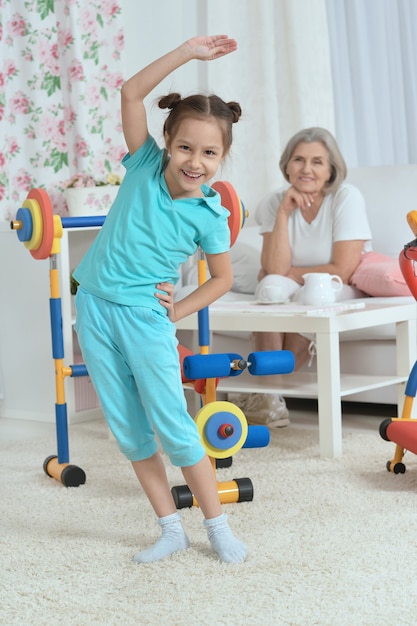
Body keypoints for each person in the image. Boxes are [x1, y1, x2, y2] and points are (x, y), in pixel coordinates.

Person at [73, 36, 247, 564]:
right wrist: (188, 53)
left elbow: (220, 279)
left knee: (173, 423)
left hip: (146, 318)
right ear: (167, 143)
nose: (196, 161)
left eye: (210, 152)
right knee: (127, 426)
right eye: (187, 148)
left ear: (223, 156)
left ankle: (217, 528)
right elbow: (130, 93)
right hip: (94, 306)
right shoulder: (144, 164)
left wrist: (178, 309)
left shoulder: (210, 216)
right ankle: (170, 528)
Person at [230, 127, 372, 428]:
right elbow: (273, 268)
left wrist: (289, 274)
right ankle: (269, 400)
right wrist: (283, 212)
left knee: (311, 292)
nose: (306, 169)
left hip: (338, 285)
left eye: (317, 161)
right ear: (287, 165)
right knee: (268, 288)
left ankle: (267, 392)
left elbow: (343, 269)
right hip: (297, 283)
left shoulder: (347, 197)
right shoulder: (273, 202)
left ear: (331, 169)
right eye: (298, 160)